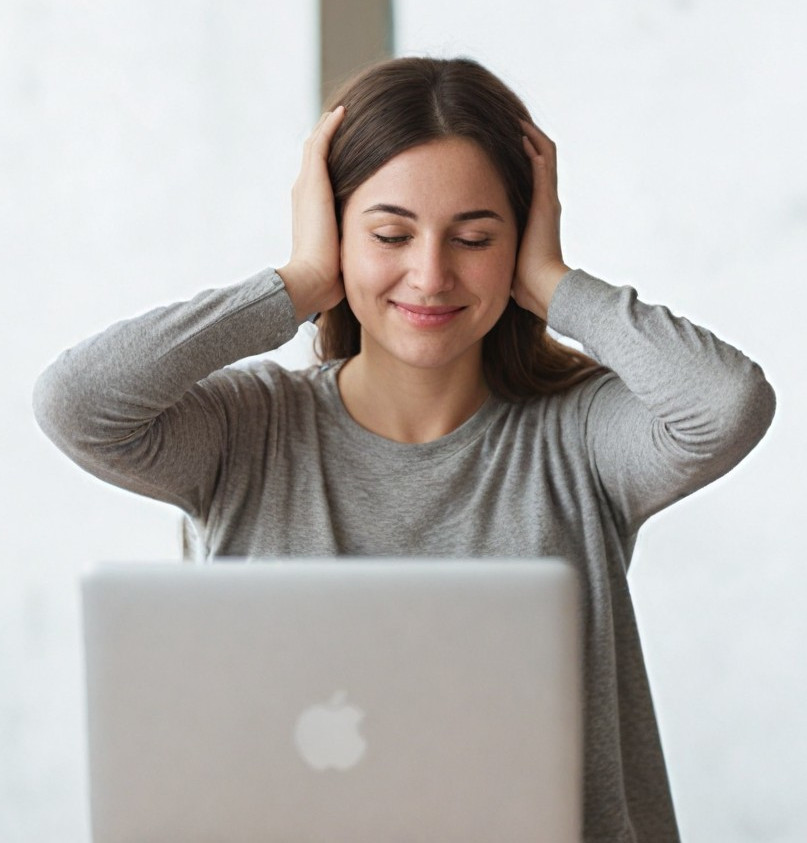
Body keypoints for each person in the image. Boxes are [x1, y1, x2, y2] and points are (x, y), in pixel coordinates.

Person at [33, 56, 775, 842]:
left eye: (474, 236)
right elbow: (77, 402)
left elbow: (725, 404)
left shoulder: (580, 437)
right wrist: (299, 279)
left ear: (518, 241)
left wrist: (556, 282)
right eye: (390, 233)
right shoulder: (247, 430)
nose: (430, 274)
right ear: (336, 230)